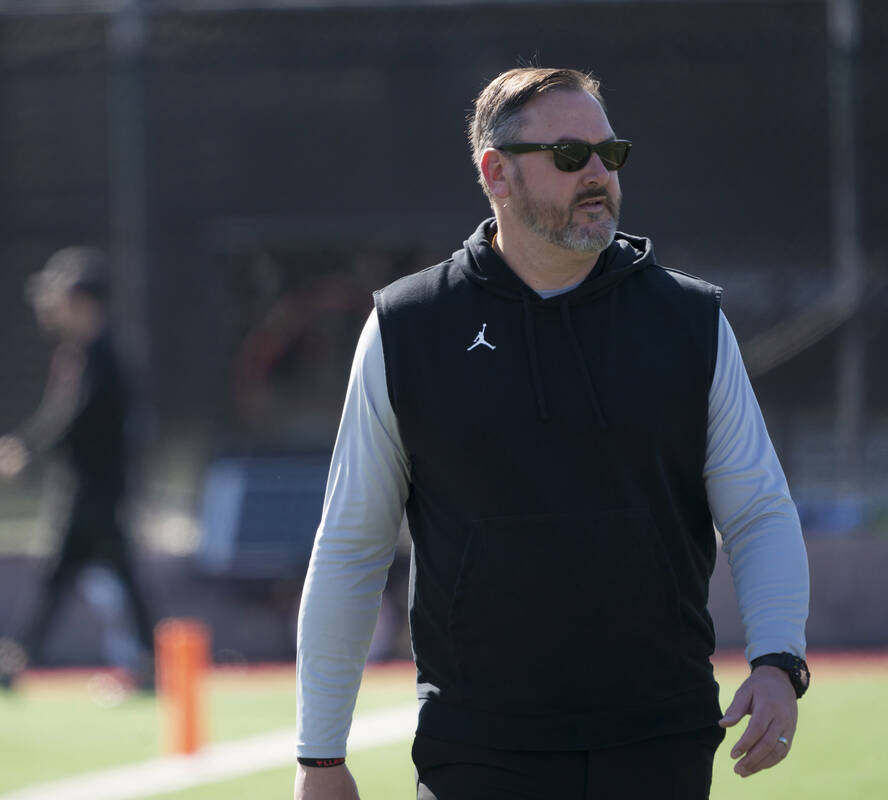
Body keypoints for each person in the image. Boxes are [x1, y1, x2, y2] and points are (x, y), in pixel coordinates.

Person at [294, 68, 810, 800]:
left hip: (661, 739)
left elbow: (759, 510)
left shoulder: (690, 320)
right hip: (477, 748)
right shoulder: (408, 327)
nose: (599, 173)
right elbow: (352, 545)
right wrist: (320, 758)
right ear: (495, 171)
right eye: (571, 155)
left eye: (611, 153)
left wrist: (778, 659)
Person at [0, 247, 156, 690]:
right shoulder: (79, 354)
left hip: (99, 495)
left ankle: (152, 664)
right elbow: (58, 414)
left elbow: (74, 419)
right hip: (82, 492)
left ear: (84, 301)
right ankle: (15, 659)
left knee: (94, 579)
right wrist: (25, 443)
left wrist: (25, 449)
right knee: (62, 579)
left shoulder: (106, 354)